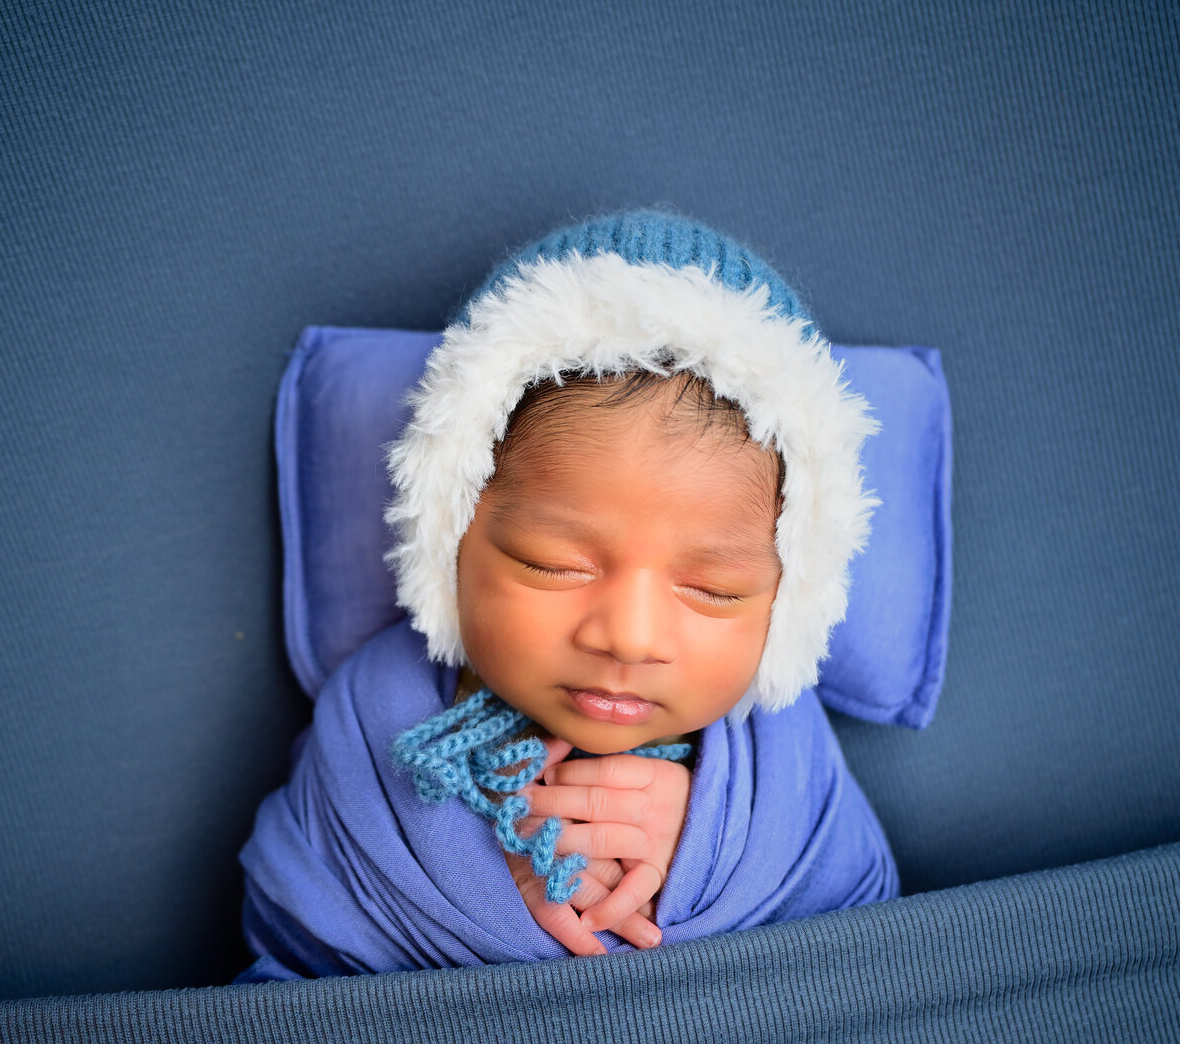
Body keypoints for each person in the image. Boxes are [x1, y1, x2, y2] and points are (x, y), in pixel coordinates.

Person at [236, 210, 899, 981]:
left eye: (712, 588)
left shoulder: (784, 758)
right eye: (554, 564)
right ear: (450, 535)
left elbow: (868, 946)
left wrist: (702, 840)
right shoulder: (370, 720)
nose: (627, 635)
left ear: (788, 603)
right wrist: (486, 865)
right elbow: (285, 942)